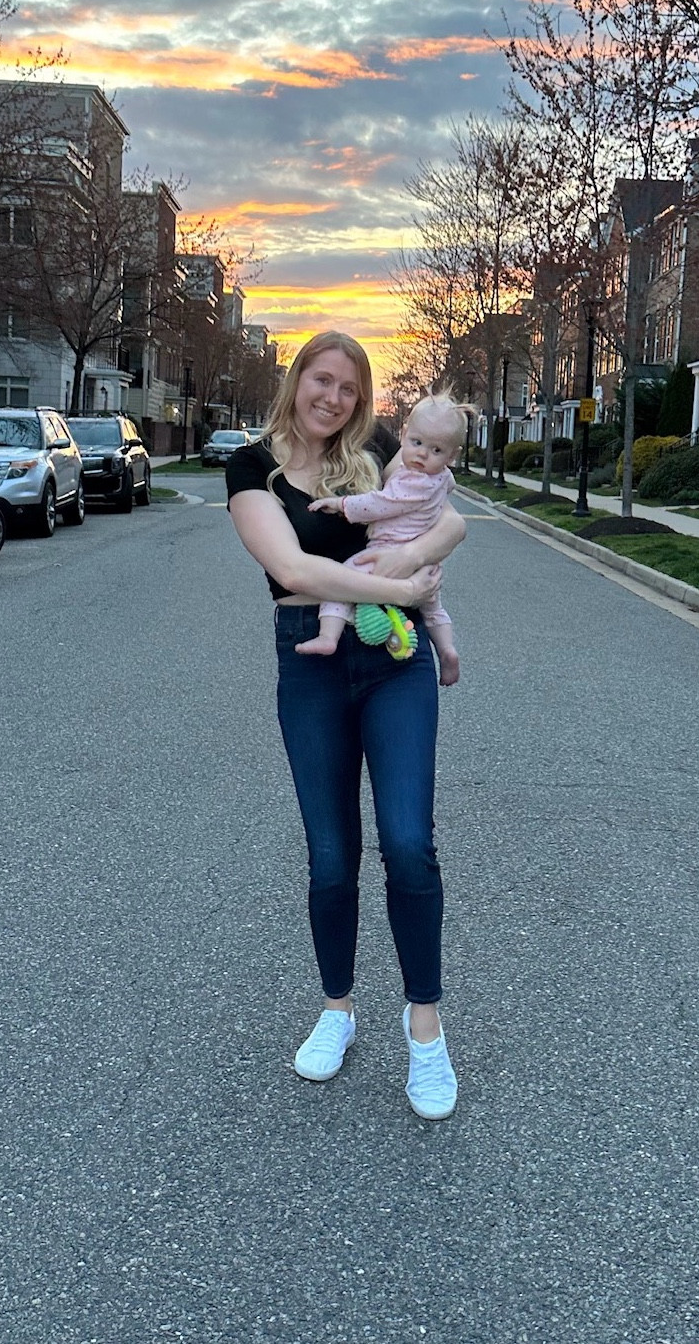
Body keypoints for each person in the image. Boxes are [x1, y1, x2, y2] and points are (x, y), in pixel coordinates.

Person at [226, 331, 466, 1120]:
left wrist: (403, 567)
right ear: (296, 380)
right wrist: (401, 586)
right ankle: (337, 1008)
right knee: (332, 855)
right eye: (321, 380)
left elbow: (450, 524)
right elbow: (291, 569)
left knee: (407, 841)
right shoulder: (249, 466)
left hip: (394, 662)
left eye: (349, 388)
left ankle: (423, 1028)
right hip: (311, 658)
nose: (334, 398)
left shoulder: (380, 446)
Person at [293, 390, 470, 687]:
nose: (423, 454)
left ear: (452, 456)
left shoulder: (412, 482)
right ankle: (447, 650)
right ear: (403, 436)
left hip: (386, 551)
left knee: (341, 581)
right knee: (433, 609)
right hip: (425, 568)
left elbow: (379, 504)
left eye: (436, 450)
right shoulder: (441, 478)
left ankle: (328, 635)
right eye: (417, 443)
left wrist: (340, 504)